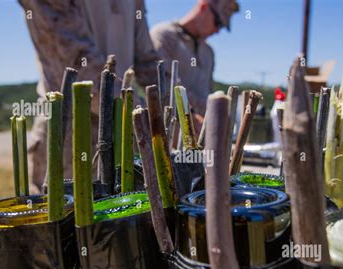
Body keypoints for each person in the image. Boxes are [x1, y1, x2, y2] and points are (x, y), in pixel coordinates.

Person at [18, 0, 160, 192]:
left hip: (125, 133)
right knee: (67, 216)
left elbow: (148, 62)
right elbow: (76, 61)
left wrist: (180, 110)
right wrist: (145, 115)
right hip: (67, 138)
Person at [150, 0, 239, 129]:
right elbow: (161, 86)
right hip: (171, 134)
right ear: (204, 7)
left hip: (203, 133)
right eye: (218, 23)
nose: (217, 31)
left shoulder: (208, 52)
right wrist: (190, 116)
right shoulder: (164, 36)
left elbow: (208, 93)